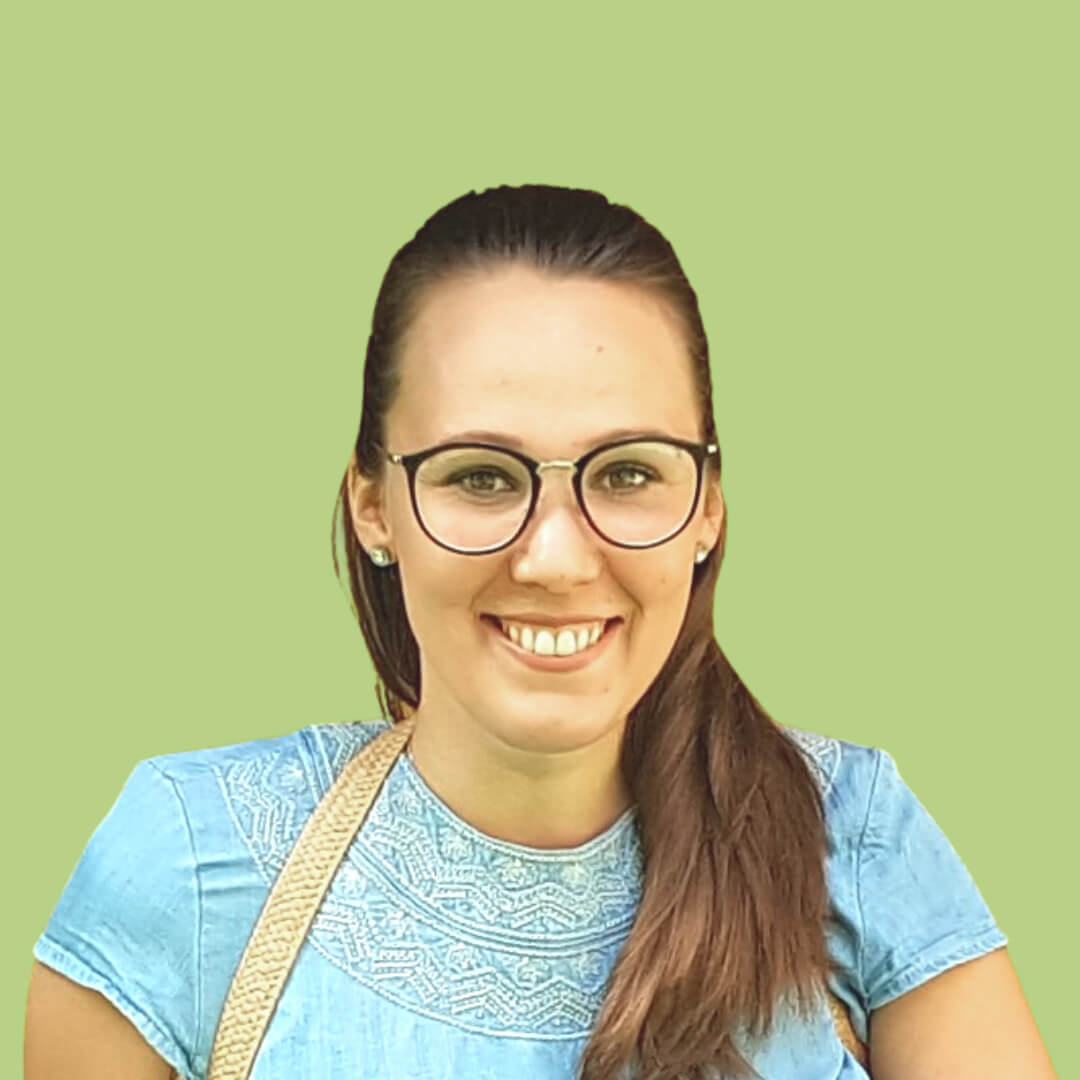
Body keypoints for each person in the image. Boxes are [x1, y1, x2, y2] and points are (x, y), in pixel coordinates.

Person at [24, 184, 1056, 1080]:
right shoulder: (188, 860)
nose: (556, 558)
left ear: (708, 508)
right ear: (373, 506)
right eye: (480, 476)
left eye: (629, 472)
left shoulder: (857, 842)